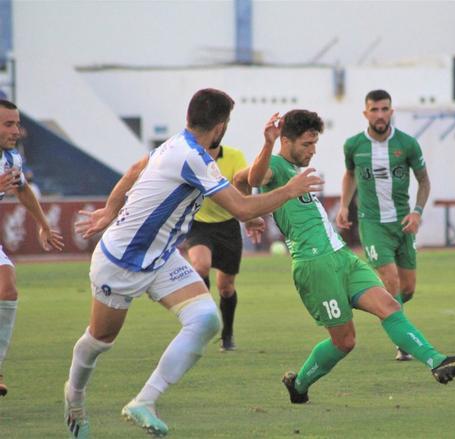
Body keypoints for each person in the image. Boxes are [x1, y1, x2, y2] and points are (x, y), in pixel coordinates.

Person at [64, 89, 322, 438]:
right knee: (100, 339)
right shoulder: (191, 156)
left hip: (163, 256)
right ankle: (75, 396)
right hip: (122, 261)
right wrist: (289, 190)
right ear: (219, 127)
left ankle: (144, 401)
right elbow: (243, 207)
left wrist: (111, 208)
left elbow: (137, 168)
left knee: (204, 320)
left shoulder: (179, 144)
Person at [235, 109, 455, 405]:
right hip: (314, 264)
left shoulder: (293, 170)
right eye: (307, 144)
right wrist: (267, 146)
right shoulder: (277, 166)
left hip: (342, 256)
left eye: (315, 143)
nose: (313, 150)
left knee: (389, 305)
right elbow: (253, 176)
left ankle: (438, 361)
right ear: (286, 140)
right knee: (344, 342)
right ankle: (300, 385)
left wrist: (249, 215)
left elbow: (240, 181)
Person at [336, 89, 431, 361]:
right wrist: (344, 205)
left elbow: (424, 180)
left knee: (406, 288)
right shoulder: (354, 145)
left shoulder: (408, 144)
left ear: (391, 111)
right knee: (391, 280)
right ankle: (404, 342)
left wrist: (417, 212)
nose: (380, 115)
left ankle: (380, 304)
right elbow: (350, 174)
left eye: (384, 109)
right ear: (365, 113)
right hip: (372, 223)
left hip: (402, 223)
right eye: (374, 110)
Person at [0, 99, 64, 396]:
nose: (17, 130)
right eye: (9, 124)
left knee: (7, 286)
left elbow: (23, 190)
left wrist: (42, 224)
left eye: (17, 123)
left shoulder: (11, 159)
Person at [184, 140, 265, 352]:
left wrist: (249, 217)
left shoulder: (234, 156)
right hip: (199, 224)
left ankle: (227, 334)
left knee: (226, 288)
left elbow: (242, 186)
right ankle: (202, 322)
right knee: (200, 266)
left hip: (228, 226)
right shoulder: (191, 156)